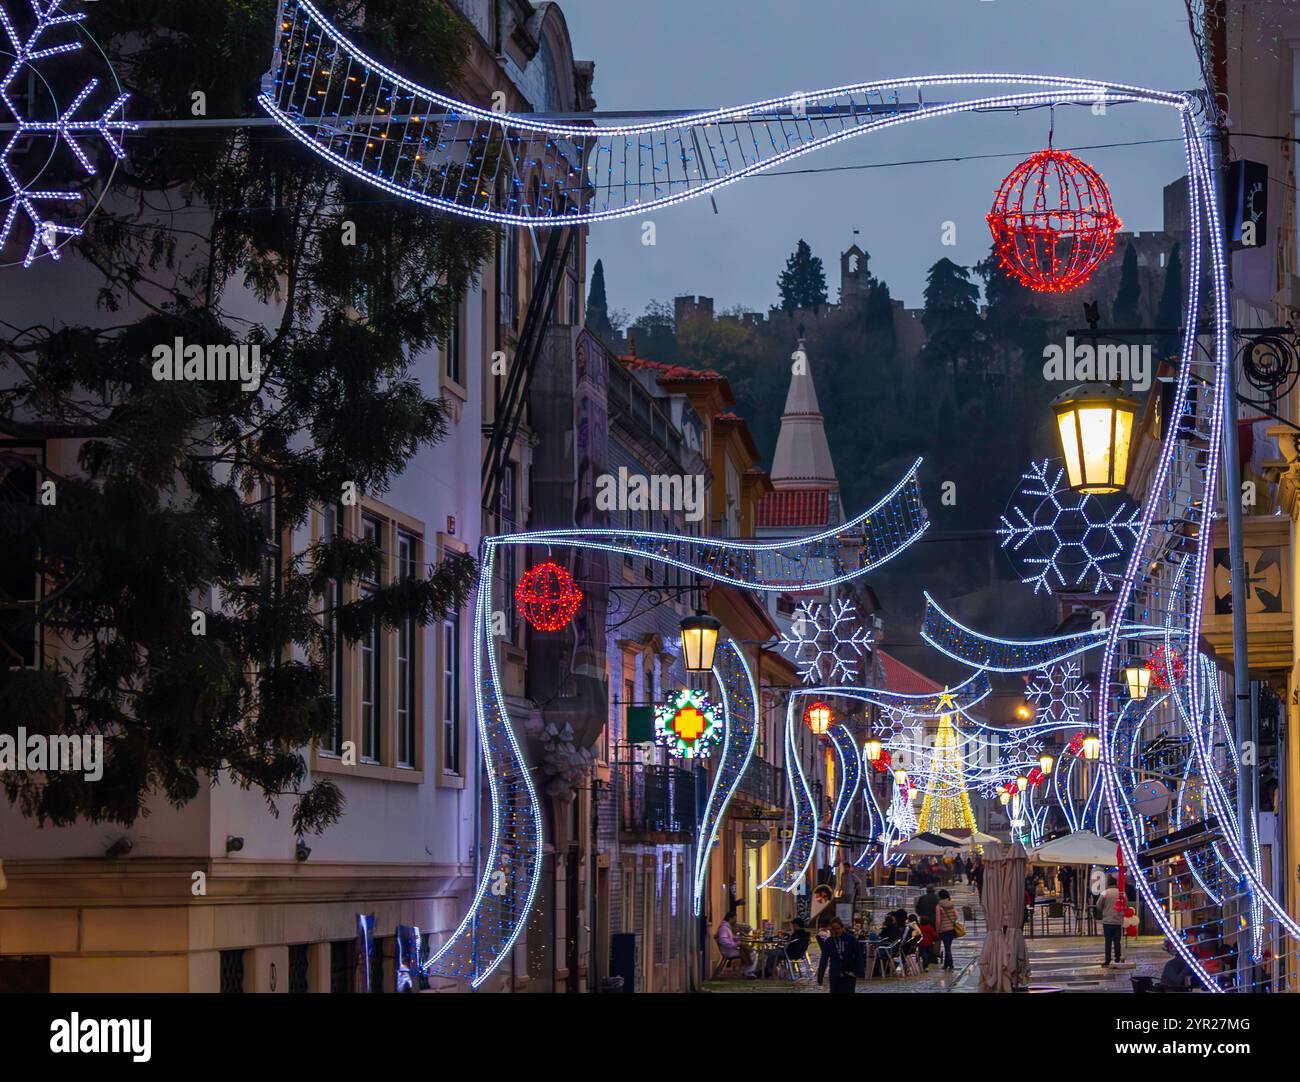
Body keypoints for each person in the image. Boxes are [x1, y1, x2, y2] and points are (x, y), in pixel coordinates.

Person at [817, 917, 864, 993]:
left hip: (849, 972)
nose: (836, 931)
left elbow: (858, 955)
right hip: (835, 972)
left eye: (838, 929)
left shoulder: (851, 939)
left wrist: (860, 971)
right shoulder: (829, 942)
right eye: (833, 929)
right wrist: (820, 976)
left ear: (842, 928)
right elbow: (823, 960)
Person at [716, 909, 757, 977]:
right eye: (735, 918)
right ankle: (748, 971)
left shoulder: (727, 927)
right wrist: (735, 944)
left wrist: (738, 938)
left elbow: (730, 938)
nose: (736, 920)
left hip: (730, 949)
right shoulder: (724, 928)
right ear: (730, 918)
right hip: (729, 950)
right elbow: (723, 940)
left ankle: (746, 970)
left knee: (749, 951)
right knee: (752, 952)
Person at [1097, 876, 1123, 966]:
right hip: (1118, 921)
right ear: (1116, 884)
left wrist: (1104, 909)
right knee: (1117, 941)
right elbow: (1126, 906)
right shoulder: (1121, 893)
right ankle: (1117, 958)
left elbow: (1098, 905)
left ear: (1108, 884)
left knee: (1108, 941)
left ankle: (1107, 959)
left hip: (1107, 921)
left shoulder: (1105, 893)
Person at [935, 888, 959, 971]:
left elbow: (938, 921)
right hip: (952, 929)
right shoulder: (951, 904)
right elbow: (956, 916)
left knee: (947, 948)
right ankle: (946, 965)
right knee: (947, 947)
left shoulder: (938, 906)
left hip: (943, 930)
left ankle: (951, 964)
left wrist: (937, 931)